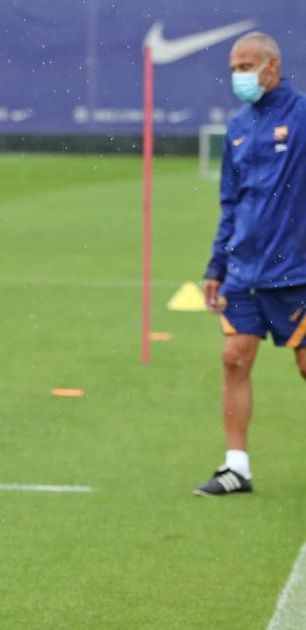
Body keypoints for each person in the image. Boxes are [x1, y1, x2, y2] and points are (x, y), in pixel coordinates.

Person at [197, 31, 306, 497]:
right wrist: (215, 266)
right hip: (244, 271)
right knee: (234, 360)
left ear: (272, 66)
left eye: (246, 66)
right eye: (234, 68)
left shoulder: (301, 116)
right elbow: (231, 202)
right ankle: (236, 468)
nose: (239, 76)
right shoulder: (238, 127)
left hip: (296, 271)